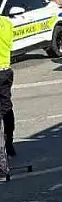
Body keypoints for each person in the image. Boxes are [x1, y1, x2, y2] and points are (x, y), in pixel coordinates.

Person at [0, 13, 14, 159]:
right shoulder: (6, 22)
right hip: (5, 69)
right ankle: (9, 143)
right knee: (6, 107)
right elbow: (10, 44)